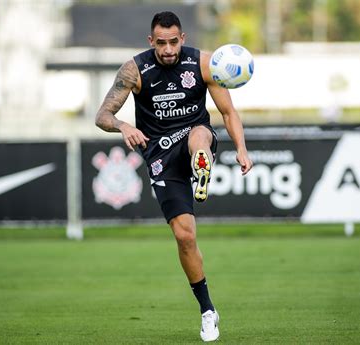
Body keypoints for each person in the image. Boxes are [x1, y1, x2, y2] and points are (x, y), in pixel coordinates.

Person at [95, 11, 253, 342]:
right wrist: (124, 126)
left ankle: (200, 163)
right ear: (151, 41)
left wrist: (241, 148)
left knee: (198, 135)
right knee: (185, 237)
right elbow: (103, 115)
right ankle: (208, 310)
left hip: (195, 135)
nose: (168, 49)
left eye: (173, 42)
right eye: (161, 43)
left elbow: (227, 112)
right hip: (160, 157)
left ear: (183, 38)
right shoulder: (135, 69)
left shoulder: (204, 64)